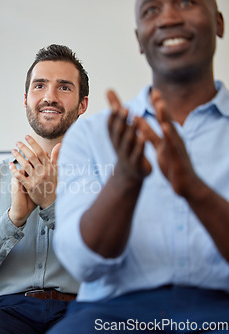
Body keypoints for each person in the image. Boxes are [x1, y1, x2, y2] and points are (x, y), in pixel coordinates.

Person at [50, 1, 229, 333]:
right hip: (111, 318)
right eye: (151, 10)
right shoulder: (91, 135)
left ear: (218, 23)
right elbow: (80, 263)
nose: (169, 19)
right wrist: (125, 182)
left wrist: (195, 189)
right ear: (139, 38)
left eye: (187, 3)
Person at [0, 44, 89, 334]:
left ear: (82, 104)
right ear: (26, 99)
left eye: (64, 87)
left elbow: (110, 263)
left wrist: (51, 204)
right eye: (40, 85)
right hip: (3, 314)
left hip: (81, 312)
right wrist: (13, 220)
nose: (50, 96)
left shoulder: (105, 177)